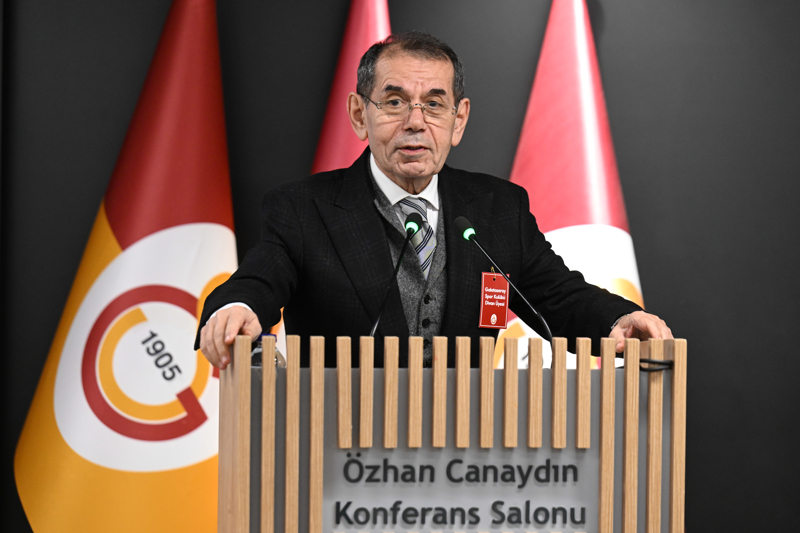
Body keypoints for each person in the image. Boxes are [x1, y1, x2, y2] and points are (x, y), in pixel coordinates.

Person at [196, 31, 671, 369]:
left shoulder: (498, 209)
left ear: (458, 120)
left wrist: (618, 319)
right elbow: (259, 280)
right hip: (342, 451)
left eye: (435, 104)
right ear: (360, 115)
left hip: (465, 455)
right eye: (395, 102)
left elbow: (558, 296)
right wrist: (236, 310)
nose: (415, 122)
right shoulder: (303, 209)